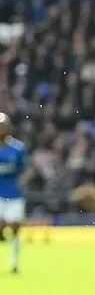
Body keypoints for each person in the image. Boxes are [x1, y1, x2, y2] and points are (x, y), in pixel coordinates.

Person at [0, 113, 28, 274]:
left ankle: (14, 263)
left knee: (16, 228)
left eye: (2, 125)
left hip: (14, 194)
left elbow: (26, 169)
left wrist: (23, 179)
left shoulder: (17, 149)